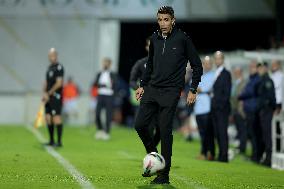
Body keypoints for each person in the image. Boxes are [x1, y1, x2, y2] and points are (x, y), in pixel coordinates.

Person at [135, 6, 203, 184]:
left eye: (166, 19)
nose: (163, 23)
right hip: (151, 89)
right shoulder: (155, 38)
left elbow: (197, 65)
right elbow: (149, 65)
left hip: (171, 92)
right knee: (140, 125)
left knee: (165, 132)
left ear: (173, 20)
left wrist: (193, 89)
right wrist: (142, 85)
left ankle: (163, 176)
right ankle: (155, 155)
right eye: (160, 19)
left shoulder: (183, 39)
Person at [129, 37, 160, 147]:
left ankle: (152, 151)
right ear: (147, 48)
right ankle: (152, 153)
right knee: (147, 128)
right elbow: (132, 80)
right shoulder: (141, 63)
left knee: (162, 128)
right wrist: (137, 88)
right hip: (147, 100)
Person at [211, 51, 232, 163]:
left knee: (222, 132)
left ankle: (224, 156)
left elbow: (227, 93)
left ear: (222, 60)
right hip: (215, 108)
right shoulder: (216, 73)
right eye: (216, 58)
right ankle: (221, 154)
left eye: (219, 58)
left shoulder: (226, 73)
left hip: (222, 109)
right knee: (218, 132)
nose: (217, 60)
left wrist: (220, 106)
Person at [194, 56, 215, 160]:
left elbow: (205, 88)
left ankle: (210, 152)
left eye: (208, 63)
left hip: (207, 107)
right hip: (198, 108)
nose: (206, 65)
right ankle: (204, 152)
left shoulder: (213, 75)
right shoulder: (200, 75)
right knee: (202, 132)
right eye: (205, 63)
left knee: (208, 132)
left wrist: (197, 88)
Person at [238, 60, 260, 161]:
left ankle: (256, 156)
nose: (251, 69)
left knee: (254, 134)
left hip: (253, 109)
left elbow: (249, 92)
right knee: (251, 133)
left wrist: (241, 95)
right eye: (250, 67)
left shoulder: (256, 79)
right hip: (249, 109)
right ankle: (254, 155)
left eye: (253, 67)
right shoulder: (251, 79)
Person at [42, 48, 64, 147]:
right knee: (48, 118)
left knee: (56, 118)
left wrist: (49, 93)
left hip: (56, 96)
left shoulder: (59, 67)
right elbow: (46, 82)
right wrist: (44, 93)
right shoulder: (49, 68)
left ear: (56, 55)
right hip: (48, 97)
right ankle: (51, 140)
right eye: (49, 55)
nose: (51, 57)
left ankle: (59, 142)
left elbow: (59, 83)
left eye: (53, 55)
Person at [256, 62, 276, 166]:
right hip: (263, 110)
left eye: (260, 68)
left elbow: (270, 97)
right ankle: (266, 157)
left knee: (267, 135)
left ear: (265, 68)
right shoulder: (263, 80)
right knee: (264, 134)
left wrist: (267, 107)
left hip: (266, 110)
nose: (259, 70)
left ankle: (269, 158)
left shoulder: (267, 81)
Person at [94, 58, 116, 140]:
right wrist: (101, 85)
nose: (105, 64)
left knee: (108, 115)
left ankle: (107, 132)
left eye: (106, 63)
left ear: (110, 64)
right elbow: (95, 83)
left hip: (109, 95)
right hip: (100, 95)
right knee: (97, 113)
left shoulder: (113, 74)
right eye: (104, 63)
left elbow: (115, 85)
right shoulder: (99, 73)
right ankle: (100, 130)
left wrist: (110, 87)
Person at [231, 67, 246, 154]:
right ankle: (240, 146)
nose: (236, 74)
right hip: (235, 109)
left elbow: (239, 96)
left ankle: (242, 148)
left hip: (240, 110)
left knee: (242, 129)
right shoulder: (235, 83)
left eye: (237, 72)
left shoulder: (243, 83)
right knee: (239, 129)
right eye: (235, 72)